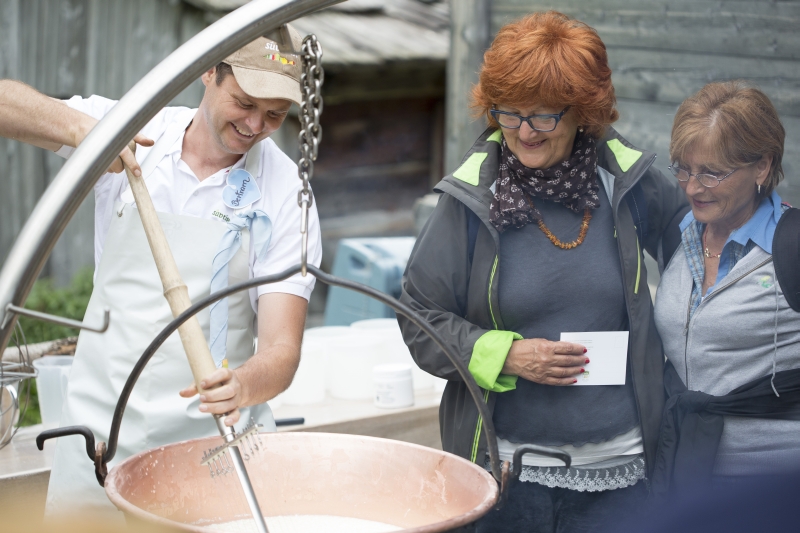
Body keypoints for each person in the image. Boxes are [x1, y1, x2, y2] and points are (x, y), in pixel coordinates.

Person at [0, 25, 322, 517]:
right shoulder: (137, 129)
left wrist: (245, 384)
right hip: (99, 438)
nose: (256, 125)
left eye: (275, 114)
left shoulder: (283, 192)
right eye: (244, 102)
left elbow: (282, 350)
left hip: (209, 450)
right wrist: (90, 136)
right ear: (210, 71)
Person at [398, 11, 688, 532]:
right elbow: (418, 317)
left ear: (584, 113)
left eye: (543, 116)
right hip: (509, 476)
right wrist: (504, 354)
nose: (523, 132)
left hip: (622, 477)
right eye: (508, 113)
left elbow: (706, 253)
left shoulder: (631, 185)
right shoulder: (469, 200)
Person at [652, 81, 800, 492]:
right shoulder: (682, 236)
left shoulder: (792, 246)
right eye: (683, 167)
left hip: (774, 486)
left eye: (712, 173)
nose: (692, 186)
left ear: (762, 166)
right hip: (687, 472)